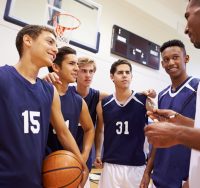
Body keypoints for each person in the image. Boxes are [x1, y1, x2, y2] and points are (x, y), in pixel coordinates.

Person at [0, 24, 88, 188]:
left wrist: (81, 163)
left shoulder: (49, 91)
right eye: (50, 42)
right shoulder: (3, 78)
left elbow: (62, 132)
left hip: (36, 181)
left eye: (56, 45)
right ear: (28, 40)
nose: (55, 49)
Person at [144, 0, 200, 187]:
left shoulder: (197, 86)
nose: (170, 63)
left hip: (184, 179)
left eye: (175, 57)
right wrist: (147, 172)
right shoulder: (162, 94)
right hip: (160, 177)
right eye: (166, 59)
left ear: (186, 59)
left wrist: (193, 178)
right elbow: (160, 138)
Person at [94, 59, 155, 188]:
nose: (124, 75)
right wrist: (98, 153)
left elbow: (158, 123)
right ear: (112, 77)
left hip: (136, 166)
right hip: (111, 165)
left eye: (128, 72)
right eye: (120, 72)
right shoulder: (103, 104)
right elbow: (99, 130)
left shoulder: (144, 101)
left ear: (132, 76)